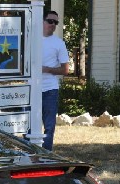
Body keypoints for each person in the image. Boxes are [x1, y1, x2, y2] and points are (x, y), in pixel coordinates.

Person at [41, 10, 69, 150]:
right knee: (28, 126)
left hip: (50, 90)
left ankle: (46, 156)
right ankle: (30, 156)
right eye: (50, 21)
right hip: (31, 90)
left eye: (56, 22)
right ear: (42, 21)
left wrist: (48, 69)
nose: (53, 25)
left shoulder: (59, 43)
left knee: (49, 127)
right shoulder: (30, 39)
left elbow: (65, 70)